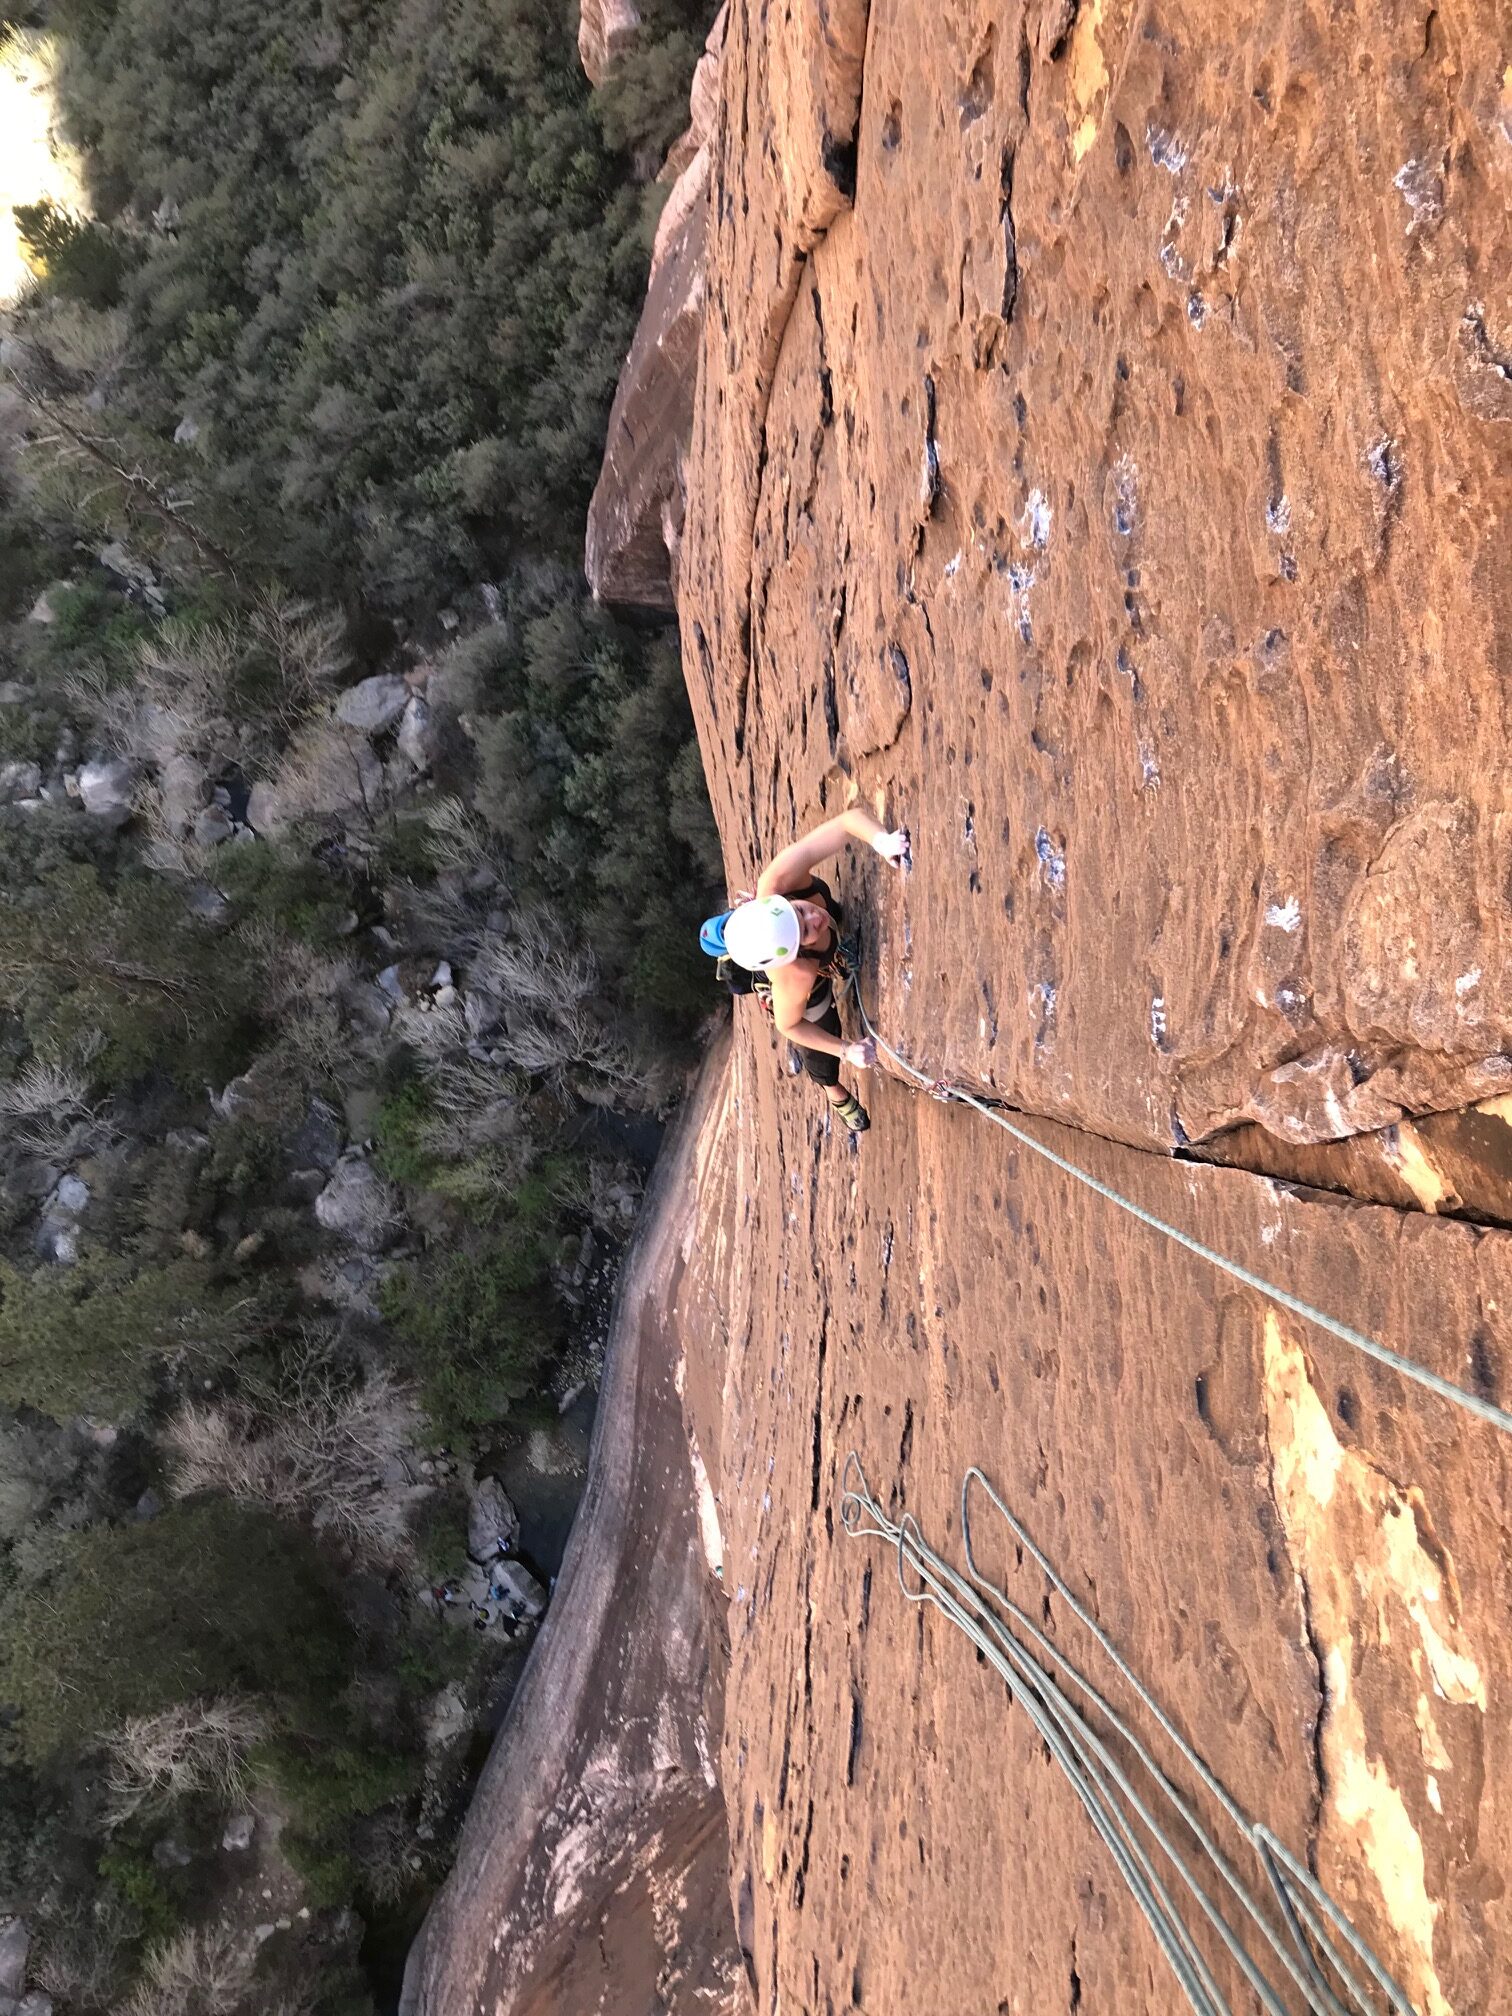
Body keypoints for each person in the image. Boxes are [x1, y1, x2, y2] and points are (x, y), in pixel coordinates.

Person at [701, 806, 911, 1134]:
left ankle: (834, 948)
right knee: (823, 1030)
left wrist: (880, 840)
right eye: (806, 931)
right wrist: (847, 1050)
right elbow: (790, 1026)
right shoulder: (794, 977)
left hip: (793, 936)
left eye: (800, 911)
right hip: (801, 979)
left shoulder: (778, 881)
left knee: (830, 910)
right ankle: (834, 1092)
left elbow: (845, 822)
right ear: (797, 952)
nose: (814, 918)